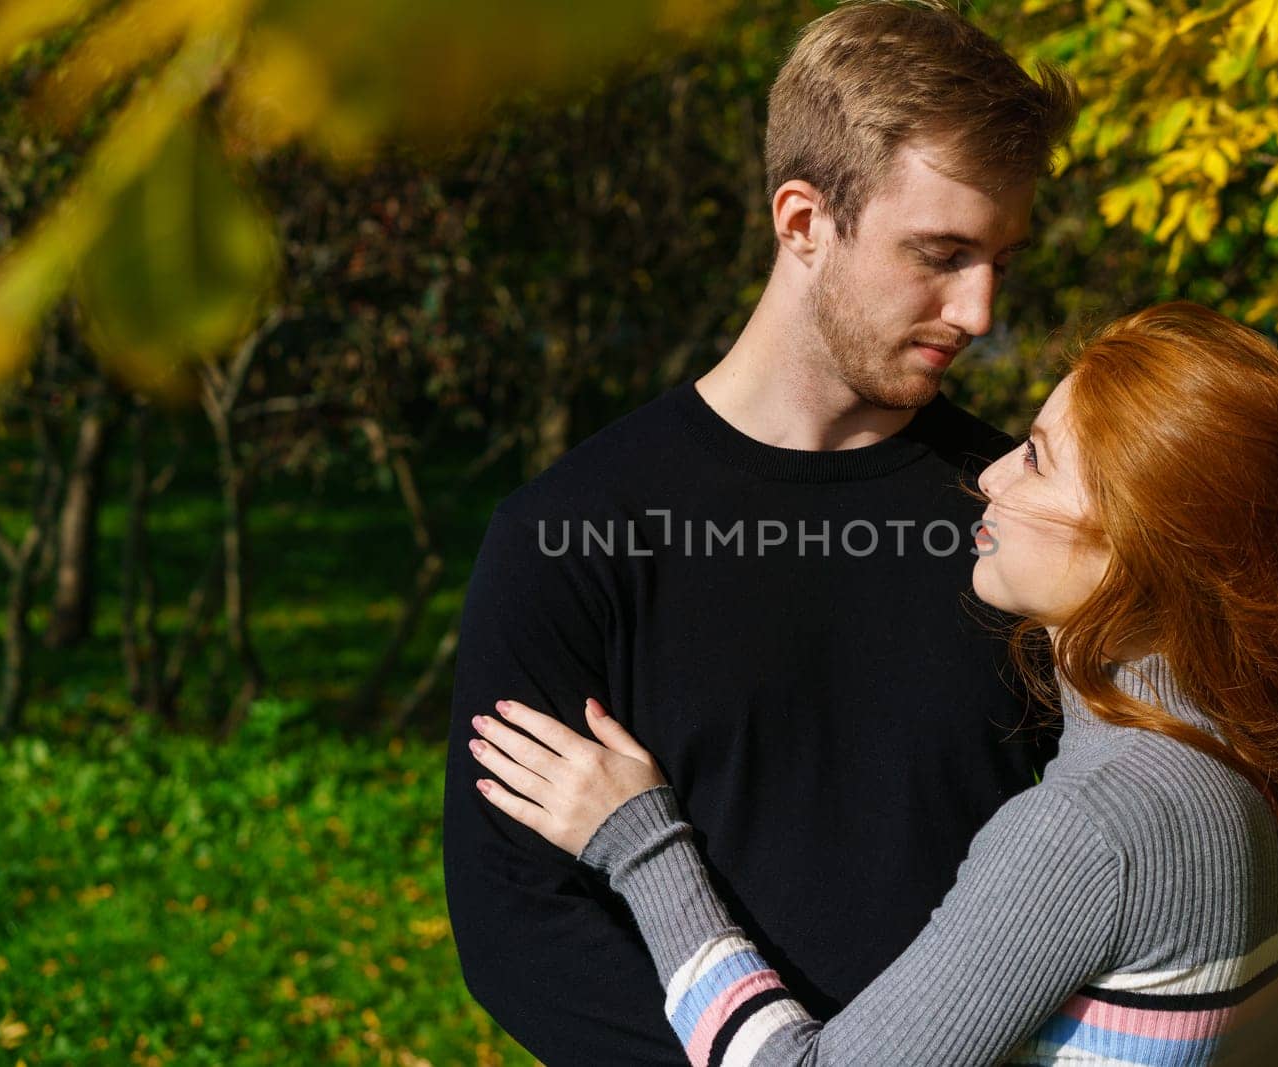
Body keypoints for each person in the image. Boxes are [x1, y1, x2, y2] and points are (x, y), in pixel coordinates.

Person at [469, 303, 1278, 1065]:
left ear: (1141, 547)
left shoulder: (1095, 829)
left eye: (1041, 458)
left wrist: (642, 841)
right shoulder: (1254, 744)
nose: (993, 472)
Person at [441, 2, 1081, 1063]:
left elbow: (1110, 831)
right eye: (940, 253)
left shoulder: (1017, 512)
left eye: (1000, 261)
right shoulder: (571, 534)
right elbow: (519, 927)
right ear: (800, 221)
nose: (976, 311)